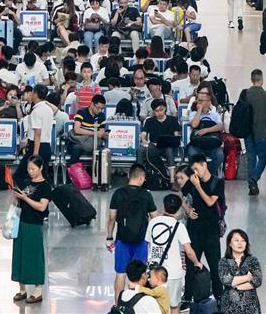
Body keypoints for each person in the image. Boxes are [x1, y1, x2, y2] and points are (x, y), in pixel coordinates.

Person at [107, 163, 158, 302]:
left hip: (122, 239)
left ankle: (118, 305)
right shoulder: (146, 195)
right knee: (140, 275)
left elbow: (112, 218)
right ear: (141, 178)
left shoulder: (118, 193)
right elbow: (155, 218)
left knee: (120, 273)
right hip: (141, 240)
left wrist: (109, 237)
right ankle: (138, 303)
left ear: (129, 176)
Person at [145, 194, 203, 314]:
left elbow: (147, 244)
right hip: (174, 273)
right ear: (178, 208)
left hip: (155, 270)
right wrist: (197, 263)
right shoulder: (179, 226)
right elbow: (189, 251)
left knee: (156, 305)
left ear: (164, 206)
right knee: (174, 305)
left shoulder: (153, 222)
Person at [182, 153, 225, 301]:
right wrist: (188, 210)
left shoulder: (217, 183)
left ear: (204, 165)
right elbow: (180, 197)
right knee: (191, 265)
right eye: (192, 169)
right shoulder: (192, 182)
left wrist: (198, 186)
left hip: (211, 231)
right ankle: (188, 297)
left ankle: (219, 296)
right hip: (194, 230)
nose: (195, 172)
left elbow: (210, 202)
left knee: (215, 265)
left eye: (196, 168)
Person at [11, 154, 52, 305]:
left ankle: (38, 289)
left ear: (41, 168)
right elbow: (19, 202)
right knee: (19, 254)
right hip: (21, 222)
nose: (31, 171)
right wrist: (17, 197)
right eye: (29, 168)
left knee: (34, 256)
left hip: (34, 224)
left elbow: (42, 207)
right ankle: (22, 288)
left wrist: (25, 198)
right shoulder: (27, 183)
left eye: (33, 168)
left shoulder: (46, 186)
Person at [244, 69, 266, 196]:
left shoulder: (246, 94)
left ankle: (252, 186)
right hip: (261, 132)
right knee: (263, 157)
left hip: (247, 131)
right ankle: (254, 179)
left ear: (252, 80)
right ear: (262, 80)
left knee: (251, 157)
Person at [218, 229, 262, 314]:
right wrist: (247, 277)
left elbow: (257, 281)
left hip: (251, 307)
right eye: (236, 240)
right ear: (230, 243)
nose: (240, 243)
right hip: (229, 306)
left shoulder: (253, 260)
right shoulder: (223, 261)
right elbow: (226, 280)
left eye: (243, 240)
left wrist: (237, 286)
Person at [186, 87, 225, 177]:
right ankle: (200, 175)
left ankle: (207, 175)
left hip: (212, 143)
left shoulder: (214, 115)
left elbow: (220, 126)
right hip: (197, 144)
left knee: (219, 155)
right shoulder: (193, 114)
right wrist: (199, 110)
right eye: (198, 100)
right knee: (194, 154)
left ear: (208, 102)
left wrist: (206, 130)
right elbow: (194, 125)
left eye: (202, 101)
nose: (199, 102)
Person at [67, 93, 107, 165]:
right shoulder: (81, 112)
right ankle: (71, 173)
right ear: (92, 104)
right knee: (77, 148)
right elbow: (77, 130)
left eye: (102, 108)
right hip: (78, 141)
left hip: (92, 143)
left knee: (102, 152)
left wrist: (103, 134)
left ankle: (96, 174)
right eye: (98, 108)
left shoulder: (101, 116)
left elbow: (101, 133)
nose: (100, 110)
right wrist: (94, 133)